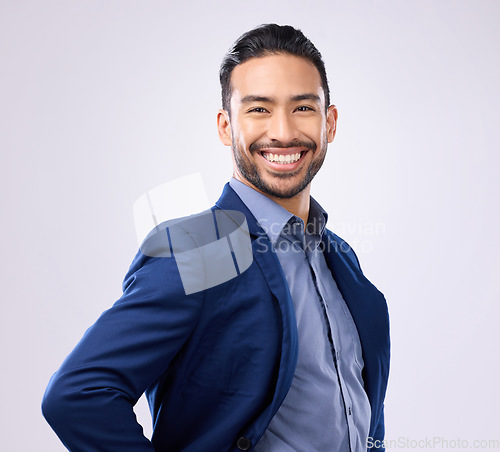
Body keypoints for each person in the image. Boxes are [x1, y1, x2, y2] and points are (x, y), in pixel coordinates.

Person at [42, 24, 390, 452]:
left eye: (303, 108)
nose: (282, 131)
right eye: (259, 109)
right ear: (226, 127)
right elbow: (78, 396)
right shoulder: (203, 247)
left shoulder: (341, 257)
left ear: (329, 123)